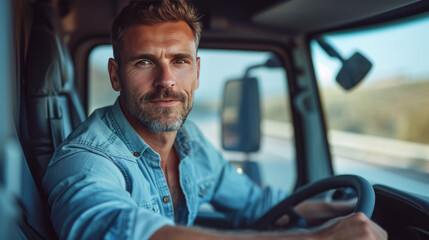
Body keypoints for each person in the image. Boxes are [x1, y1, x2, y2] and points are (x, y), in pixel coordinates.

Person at [42, 0, 387, 239]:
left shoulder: (191, 142)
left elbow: (258, 206)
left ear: (197, 71)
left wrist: (346, 210)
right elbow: (125, 232)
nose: (166, 81)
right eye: (144, 62)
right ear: (116, 76)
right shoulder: (85, 161)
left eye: (180, 61)